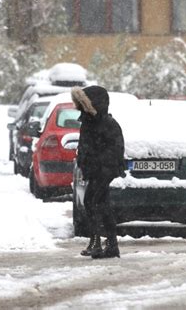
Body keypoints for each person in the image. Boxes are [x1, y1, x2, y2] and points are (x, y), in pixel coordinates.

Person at [71, 85, 126, 259]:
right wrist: (84, 163)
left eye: (83, 102)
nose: (79, 106)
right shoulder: (88, 122)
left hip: (103, 172)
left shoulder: (108, 124)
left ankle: (101, 243)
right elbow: (85, 146)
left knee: (93, 202)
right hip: (94, 171)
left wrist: (100, 166)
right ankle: (108, 244)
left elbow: (115, 150)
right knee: (100, 204)